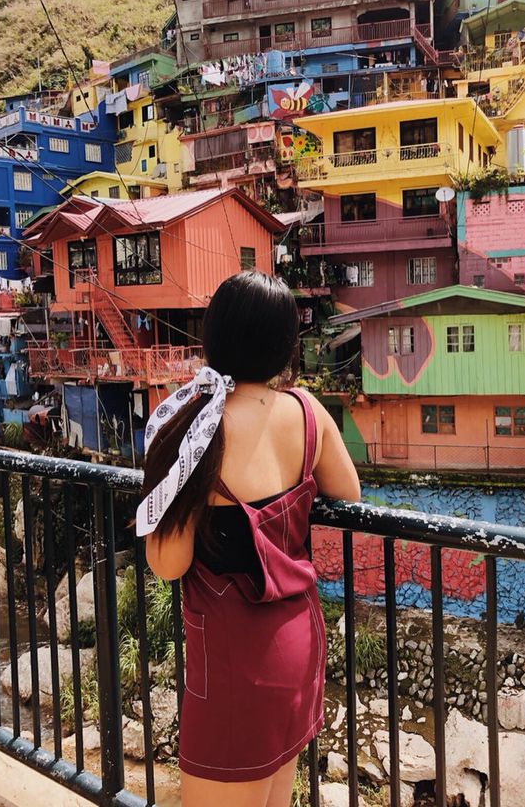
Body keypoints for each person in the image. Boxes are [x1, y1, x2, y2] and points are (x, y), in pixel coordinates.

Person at [139, 271, 360, 807]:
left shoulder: (195, 431)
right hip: (299, 642)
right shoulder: (308, 412)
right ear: (286, 346)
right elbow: (348, 492)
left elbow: (168, 564)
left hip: (233, 661)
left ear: (214, 338)